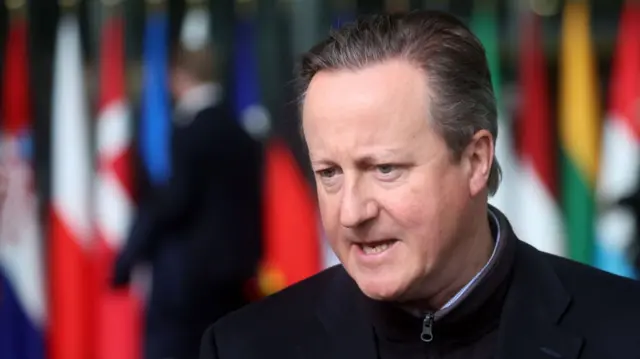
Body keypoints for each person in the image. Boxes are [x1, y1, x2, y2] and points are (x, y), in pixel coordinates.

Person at [199, 10, 640, 359]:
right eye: (329, 173)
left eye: (385, 169)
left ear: (475, 161)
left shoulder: (626, 329)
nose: (352, 213)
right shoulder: (244, 346)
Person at [113, 44, 263, 359]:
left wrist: (130, 256)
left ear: (178, 78)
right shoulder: (242, 134)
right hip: (236, 274)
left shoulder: (190, 132)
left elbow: (175, 201)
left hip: (188, 283)